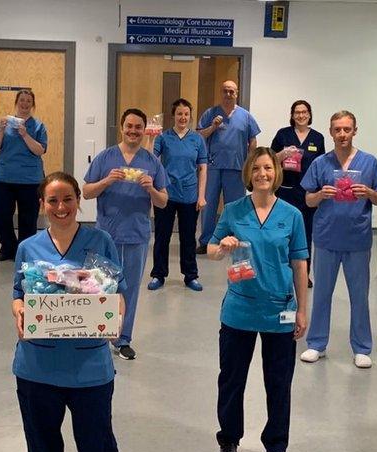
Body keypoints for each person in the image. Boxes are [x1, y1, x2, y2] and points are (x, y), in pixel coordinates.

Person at [11, 172, 126, 452]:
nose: (61, 208)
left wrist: (115, 318)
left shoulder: (100, 241)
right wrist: (18, 310)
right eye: (53, 201)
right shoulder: (29, 247)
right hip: (37, 365)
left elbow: (117, 292)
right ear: (42, 205)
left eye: (67, 200)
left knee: (96, 442)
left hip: (89, 365)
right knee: (42, 442)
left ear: (79, 200)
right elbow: (18, 292)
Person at [207, 147, 308, 452]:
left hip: (280, 309)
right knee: (232, 380)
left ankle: (276, 448)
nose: (262, 174)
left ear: (276, 173)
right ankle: (229, 442)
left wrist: (303, 311)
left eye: (268, 168)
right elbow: (211, 249)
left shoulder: (291, 215)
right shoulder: (235, 211)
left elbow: (299, 263)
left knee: (279, 383)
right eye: (256, 169)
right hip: (239, 309)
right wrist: (222, 248)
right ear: (248, 174)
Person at [299, 111, 377, 369]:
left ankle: (361, 347)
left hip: (357, 239)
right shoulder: (320, 164)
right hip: (327, 238)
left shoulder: (369, 163)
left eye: (347, 129)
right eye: (337, 129)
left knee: (359, 296)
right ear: (330, 132)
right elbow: (308, 200)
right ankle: (316, 344)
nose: (342, 134)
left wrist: (369, 192)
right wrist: (321, 195)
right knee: (322, 294)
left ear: (355, 131)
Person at [84, 108, 169, 361]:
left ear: (144, 130)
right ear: (121, 127)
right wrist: (107, 181)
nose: (133, 131)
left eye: (138, 127)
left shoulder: (152, 162)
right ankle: (98, 335)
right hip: (106, 234)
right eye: (129, 126)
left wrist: (151, 189)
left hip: (136, 235)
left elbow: (163, 201)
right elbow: (87, 192)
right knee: (100, 287)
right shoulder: (105, 158)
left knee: (129, 288)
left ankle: (123, 339)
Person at [147, 98, 208, 292]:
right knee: (162, 236)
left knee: (188, 237)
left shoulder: (197, 139)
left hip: (190, 195)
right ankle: (158, 274)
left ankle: (190, 275)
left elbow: (203, 169)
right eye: (179, 113)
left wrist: (201, 196)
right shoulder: (163, 138)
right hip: (166, 194)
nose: (183, 117)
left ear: (190, 116)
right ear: (173, 115)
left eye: (186, 114)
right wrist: (150, 138)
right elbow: (151, 160)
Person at [196, 80, 261, 254]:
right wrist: (213, 127)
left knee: (235, 206)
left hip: (237, 167)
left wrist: (250, 162)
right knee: (209, 205)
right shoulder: (211, 113)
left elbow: (253, 140)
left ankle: (234, 239)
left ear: (237, 93)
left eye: (231, 91)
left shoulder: (245, 116)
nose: (228, 94)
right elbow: (199, 136)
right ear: (221, 92)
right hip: (213, 167)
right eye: (225, 91)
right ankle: (206, 240)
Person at [270, 100, 326, 286]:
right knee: (282, 232)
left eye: (304, 112)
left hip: (307, 194)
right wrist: (282, 155)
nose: (301, 115)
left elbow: (322, 166)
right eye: (297, 112)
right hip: (285, 191)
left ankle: (303, 274)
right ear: (292, 115)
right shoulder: (283, 135)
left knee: (305, 233)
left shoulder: (317, 138)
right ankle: (282, 271)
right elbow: (269, 161)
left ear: (309, 115)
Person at [0, 89, 48, 262]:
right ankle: (7, 248)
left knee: (28, 218)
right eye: (22, 100)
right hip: (3, 178)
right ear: (17, 102)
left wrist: (25, 134)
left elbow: (40, 150)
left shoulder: (38, 126)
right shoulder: (5, 123)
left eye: (28, 101)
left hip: (30, 179)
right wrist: (0, 129)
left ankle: (24, 250)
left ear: (32, 104)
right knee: (1, 216)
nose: (24, 104)